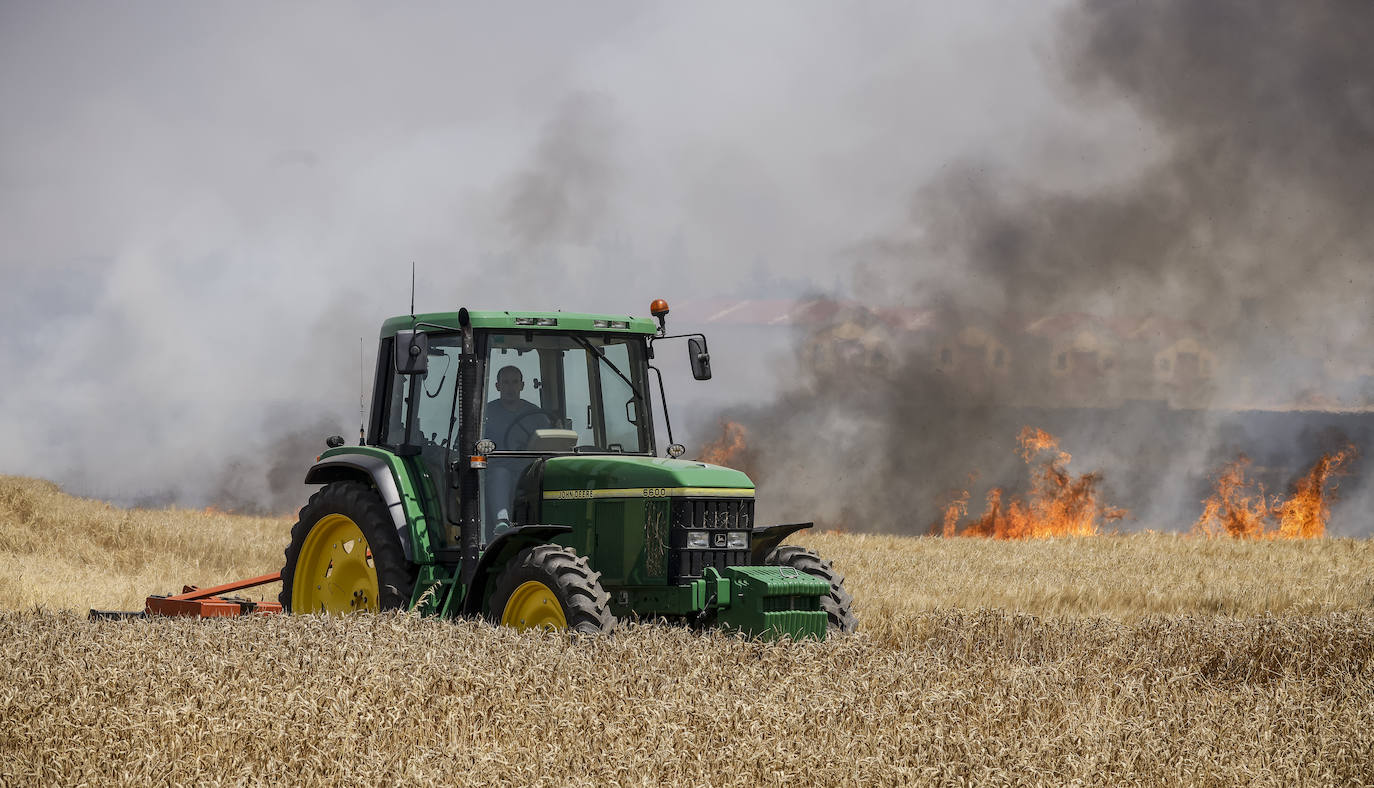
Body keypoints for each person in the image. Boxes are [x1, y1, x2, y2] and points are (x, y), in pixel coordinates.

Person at [482, 365, 549, 531]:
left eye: (514, 382)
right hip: (498, 468)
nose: (510, 387)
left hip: (528, 470)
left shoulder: (537, 415)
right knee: (500, 474)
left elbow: (547, 442)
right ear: (497, 386)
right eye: (505, 382)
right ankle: (501, 523)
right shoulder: (485, 414)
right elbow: (473, 443)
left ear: (522, 385)